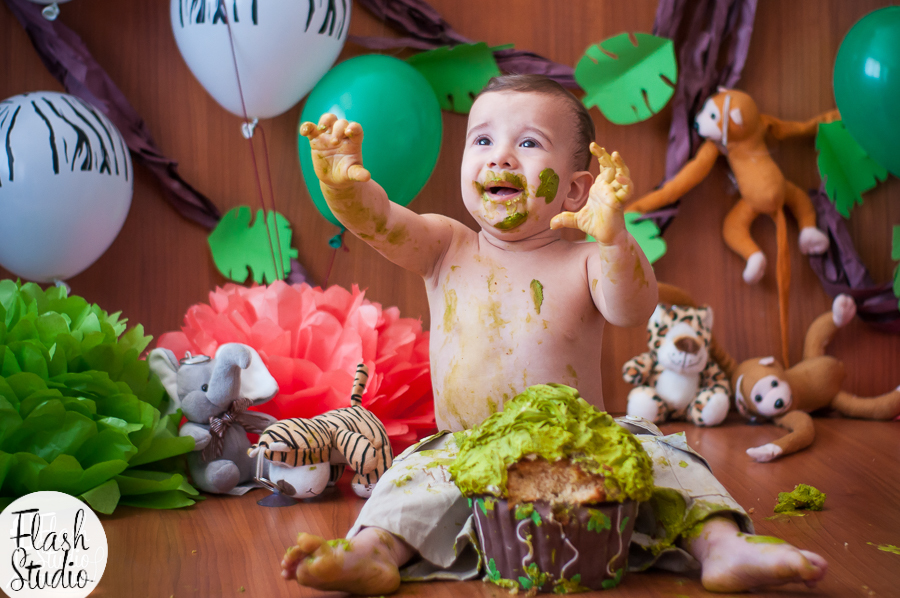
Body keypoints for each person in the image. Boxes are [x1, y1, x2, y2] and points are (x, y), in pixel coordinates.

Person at [281, 75, 828, 594]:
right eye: (484, 139)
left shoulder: (585, 261)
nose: (500, 156)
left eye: (528, 143)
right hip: (464, 447)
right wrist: (342, 185)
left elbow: (634, 309)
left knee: (669, 460)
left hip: (583, 449)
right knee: (410, 477)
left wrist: (614, 238)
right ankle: (375, 552)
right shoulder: (446, 246)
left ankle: (723, 546)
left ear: (575, 191)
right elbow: (380, 222)